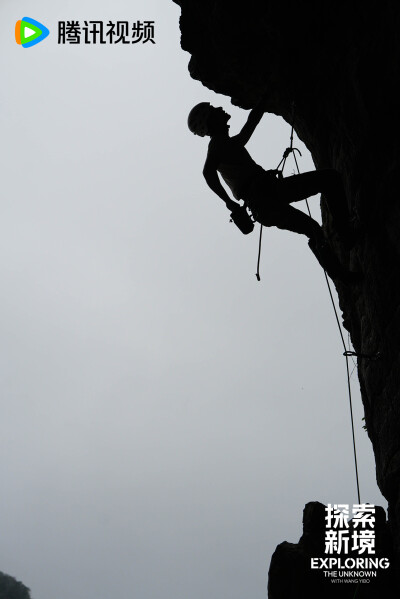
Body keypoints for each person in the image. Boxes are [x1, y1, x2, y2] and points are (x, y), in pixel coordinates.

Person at [187, 99, 361, 283]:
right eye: (214, 110)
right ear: (209, 122)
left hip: (266, 199)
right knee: (328, 181)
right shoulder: (217, 145)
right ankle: (345, 237)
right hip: (266, 198)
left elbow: (250, 123)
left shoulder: (227, 144)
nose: (220, 109)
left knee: (314, 226)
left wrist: (264, 99)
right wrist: (228, 202)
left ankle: (342, 269)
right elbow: (207, 172)